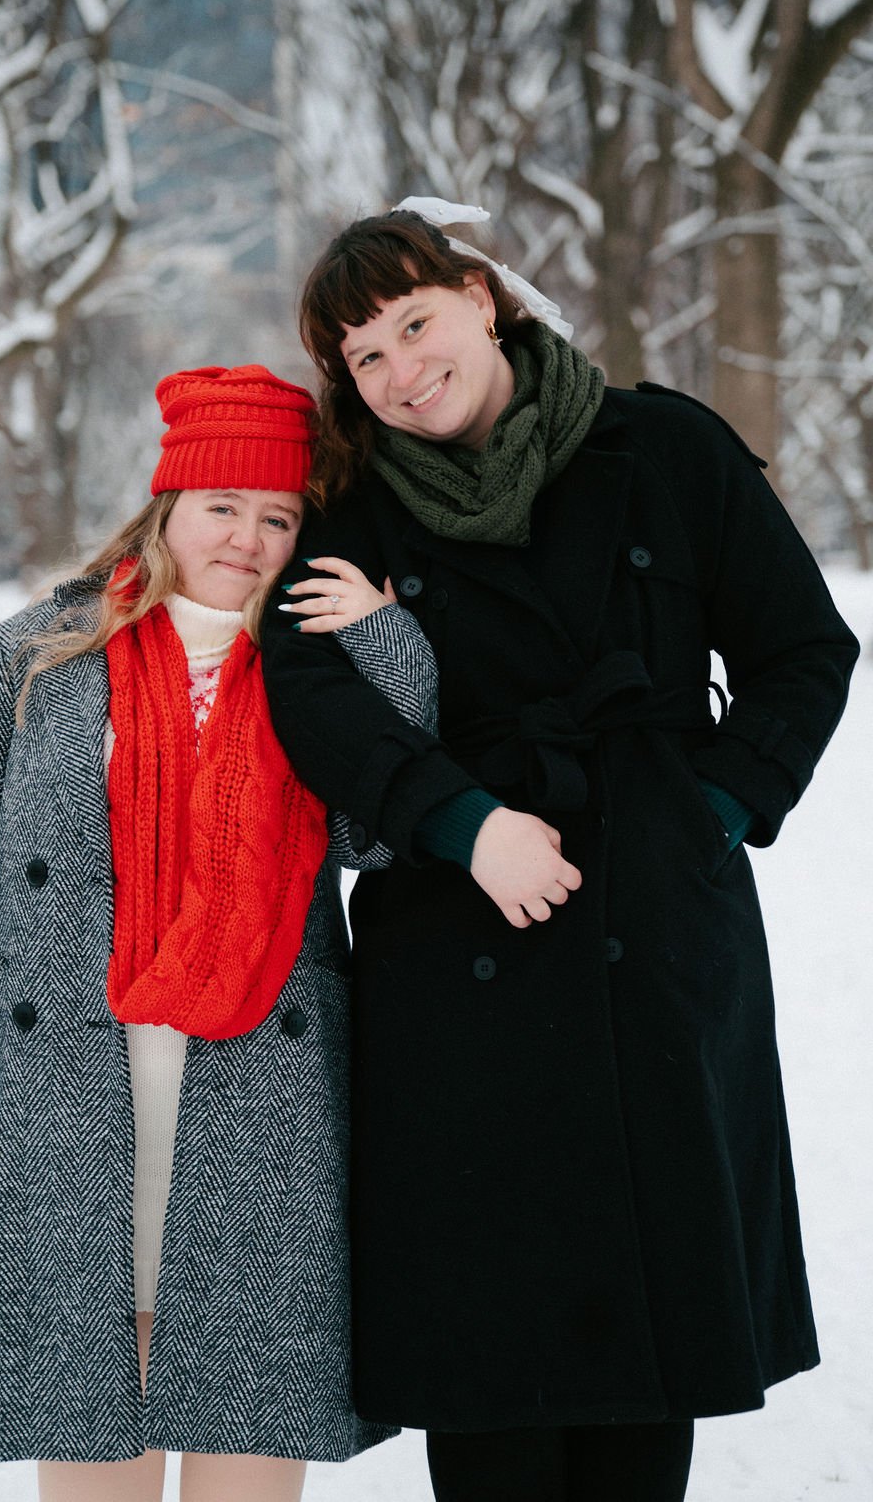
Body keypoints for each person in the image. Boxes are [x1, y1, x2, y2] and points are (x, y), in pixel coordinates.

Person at [260, 200, 860, 1502]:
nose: (402, 369)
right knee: (491, 1363)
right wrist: (460, 819)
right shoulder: (350, 502)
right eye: (364, 355)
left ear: (482, 294)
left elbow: (802, 650)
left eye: (415, 323)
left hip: (654, 933)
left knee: (649, 1355)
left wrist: (707, 813)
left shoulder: (664, 446)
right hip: (455, 954)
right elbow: (310, 687)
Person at [0, 364, 437, 1501]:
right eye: (223, 504)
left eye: (278, 516)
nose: (247, 536)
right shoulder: (36, 652)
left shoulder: (309, 671)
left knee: (248, 1432)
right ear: (168, 503)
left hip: (259, 1106)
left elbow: (380, 835)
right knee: (90, 1437)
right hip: (66, 1094)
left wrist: (388, 648)